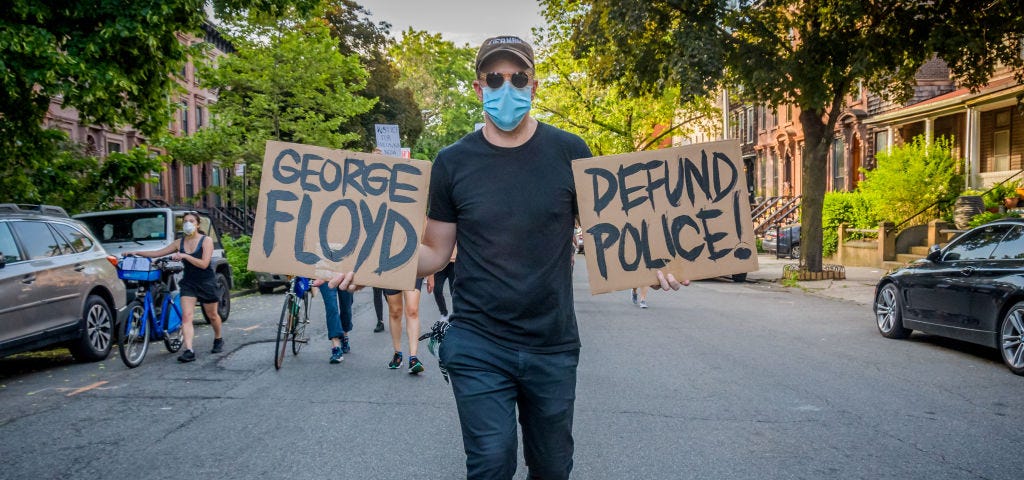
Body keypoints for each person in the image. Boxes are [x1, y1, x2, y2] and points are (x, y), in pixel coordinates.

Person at [329, 35, 685, 479]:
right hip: (479, 342)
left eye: (518, 78)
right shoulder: (452, 162)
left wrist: (646, 263)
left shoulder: (570, 152)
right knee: (491, 462)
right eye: (494, 79)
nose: (507, 88)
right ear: (479, 89)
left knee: (553, 468)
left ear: (534, 86)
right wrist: (371, 266)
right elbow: (436, 252)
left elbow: (603, 235)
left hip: (552, 345)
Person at [128, 211, 224, 363]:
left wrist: (185, 256)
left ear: (197, 224)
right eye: (185, 221)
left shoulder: (206, 241)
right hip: (189, 283)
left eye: (191, 221)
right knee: (186, 317)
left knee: (212, 315)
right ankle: (189, 350)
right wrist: (136, 252)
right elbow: (157, 253)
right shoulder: (179, 243)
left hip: (206, 281)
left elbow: (204, 264)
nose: (188, 223)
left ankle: (218, 338)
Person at [382, 278, 425, 374]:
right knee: (395, 311)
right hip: (392, 268)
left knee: (412, 310)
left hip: (414, 268)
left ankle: (413, 358)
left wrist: (431, 275)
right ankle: (397, 354)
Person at [311, 279, 353, 363]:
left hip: (345, 272)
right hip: (325, 274)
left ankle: (344, 334)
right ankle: (336, 346)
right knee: (331, 307)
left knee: (346, 307)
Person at [427, 246, 457, 321]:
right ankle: (444, 313)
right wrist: (430, 275)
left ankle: (456, 314)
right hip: (440, 263)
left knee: (454, 292)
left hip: (454, 263)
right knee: (437, 290)